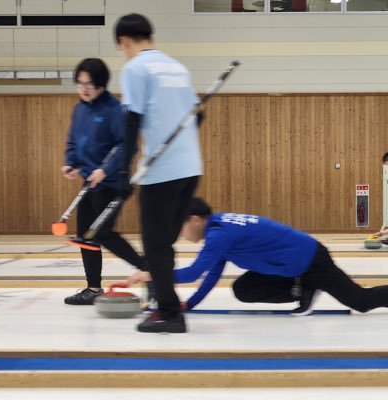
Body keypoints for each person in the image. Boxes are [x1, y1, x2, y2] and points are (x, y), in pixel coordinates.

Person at [129, 197, 388, 317]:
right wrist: (191, 304)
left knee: (360, 301)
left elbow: (194, 273)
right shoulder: (219, 230)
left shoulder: (219, 234)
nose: (182, 233)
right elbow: (212, 274)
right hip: (291, 264)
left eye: (182, 226)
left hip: (311, 260)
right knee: (244, 288)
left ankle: (308, 285)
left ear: (195, 220)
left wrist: (150, 273)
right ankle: (304, 289)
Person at [113, 13, 203, 333]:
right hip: (191, 167)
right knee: (163, 242)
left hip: (161, 171)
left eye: (121, 47)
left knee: (155, 245)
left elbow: (131, 121)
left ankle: (169, 313)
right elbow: (198, 115)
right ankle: (166, 306)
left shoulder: (135, 68)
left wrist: (123, 171)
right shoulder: (178, 68)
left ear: (124, 42)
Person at [62, 58, 146, 305]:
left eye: (90, 84)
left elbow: (127, 147)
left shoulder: (114, 109)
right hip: (88, 182)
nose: (84, 89)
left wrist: (105, 170)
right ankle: (93, 288)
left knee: (102, 233)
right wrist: (71, 162)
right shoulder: (79, 109)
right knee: (86, 236)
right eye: (80, 83)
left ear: (101, 85)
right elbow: (73, 142)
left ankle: (149, 270)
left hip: (112, 183)